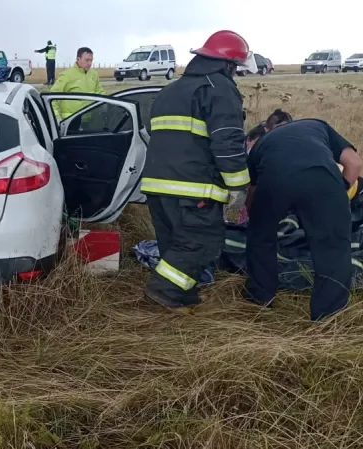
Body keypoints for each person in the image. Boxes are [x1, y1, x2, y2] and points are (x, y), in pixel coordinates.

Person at [140, 30, 255, 312]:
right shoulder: (219, 89)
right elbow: (227, 143)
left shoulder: (170, 90)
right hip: (193, 189)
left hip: (156, 186)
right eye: (236, 69)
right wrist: (238, 188)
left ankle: (182, 295)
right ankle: (163, 290)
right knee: (200, 242)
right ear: (228, 65)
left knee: (174, 243)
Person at [244, 112, 362, 321]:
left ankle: (260, 298)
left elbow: (253, 193)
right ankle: (328, 316)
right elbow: (354, 164)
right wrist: (337, 196)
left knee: (261, 239)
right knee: (333, 247)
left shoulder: (261, 144)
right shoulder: (318, 125)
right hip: (322, 179)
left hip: (275, 180)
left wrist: (257, 219)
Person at [49, 47, 105, 121]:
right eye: (87, 60)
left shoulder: (94, 74)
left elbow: (100, 92)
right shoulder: (66, 75)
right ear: (78, 59)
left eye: (91, 60)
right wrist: (56, 117)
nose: (90, 63)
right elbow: (53, 97)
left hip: (90, 119)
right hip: (71, 120)